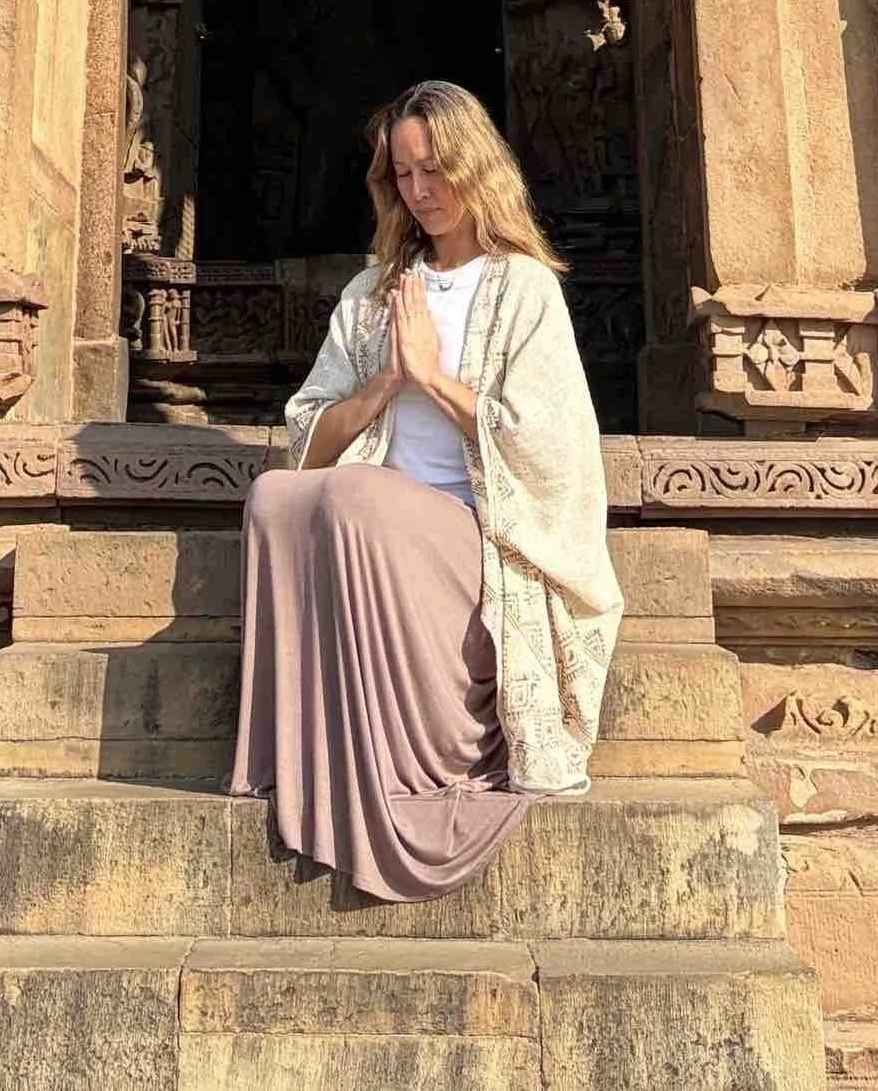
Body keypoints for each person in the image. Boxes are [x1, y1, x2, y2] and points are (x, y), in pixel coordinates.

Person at [232, 78, 623, 902]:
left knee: (353, 498)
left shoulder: (524, 289)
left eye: (435, 169)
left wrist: (437, 382)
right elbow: (307, 436)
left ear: (475, 166)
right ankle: (295, 751)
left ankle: (417, 753)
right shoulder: (374, 294)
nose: (420, 190)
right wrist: (383, 386)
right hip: (373, 521)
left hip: (477, 542)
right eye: (403, 173)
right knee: (273, 497)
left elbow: (553, 450)